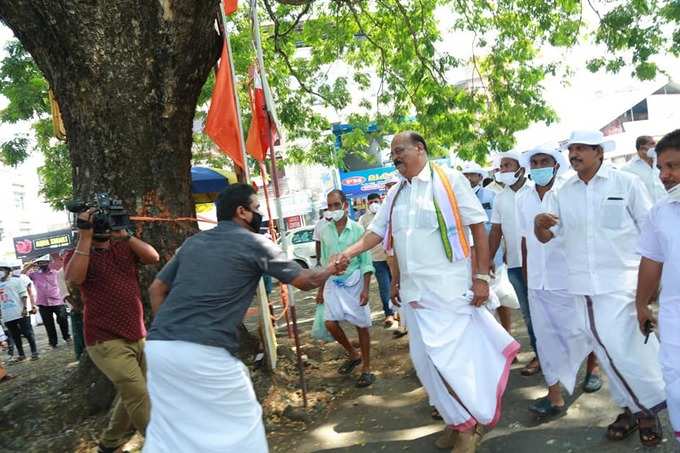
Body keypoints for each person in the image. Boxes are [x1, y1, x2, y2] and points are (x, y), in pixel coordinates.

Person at [339, 131, 519, 452]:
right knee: (425, 363)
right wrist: (350, 255)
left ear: (420, 149)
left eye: (400, 150)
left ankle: (470, 427)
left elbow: (478, 225)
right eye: (392, 153)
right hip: (414, 294)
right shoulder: (396, 193)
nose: (395, 157)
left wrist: (480, 276)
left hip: (449, 290)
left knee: (450, 361)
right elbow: (378, 233)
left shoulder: (449, 181)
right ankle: (457, 421)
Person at [143, 184, 347, 453]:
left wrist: (172, 334)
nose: (260, 213)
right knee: (243, 430)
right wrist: (333, 267)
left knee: (171, 436)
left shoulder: (192, 243)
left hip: (159, 349)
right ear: (242, 212)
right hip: (206, 352)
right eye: (257, 208)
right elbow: (305, 280)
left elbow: (156, 289)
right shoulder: (254, 243)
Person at [534, 130, 666, 447]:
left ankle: (648, 409)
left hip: (626, 282)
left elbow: (652, 232)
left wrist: (653, 286)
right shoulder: (564, 192)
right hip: (585, 288)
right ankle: (632, 409)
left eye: (581, 148)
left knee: (629, 351)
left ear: (599, 152)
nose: (575, 154)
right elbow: (546, 239)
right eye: (572, 149)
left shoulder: (626, 184)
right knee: (610, 352)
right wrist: (538, 225)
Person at [65, 207, 160, 453]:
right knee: (138, 394)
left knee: (133, 393)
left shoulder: (124, 247)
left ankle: (109, 443)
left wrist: (125, 235)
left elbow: (153, 257)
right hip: (105, 340)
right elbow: (74, 279)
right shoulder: (76, 254)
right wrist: (84, 236)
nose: (103, 227)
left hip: (138, 334)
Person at [516, 143, 602, 417]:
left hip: (568, 278)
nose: (540, 167)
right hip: (537, 284)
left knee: (581, 330)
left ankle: (593, 369)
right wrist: (529, 279)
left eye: (545, 161)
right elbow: (525, 242)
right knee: (545, 340)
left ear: (555, 165)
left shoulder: (567, 193)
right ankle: (554, 397)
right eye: (535, 162)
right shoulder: (523, 199)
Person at [635, 128, 680, 445]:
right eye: (661, 168)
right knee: (676, 384)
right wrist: (641, 304)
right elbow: (652, 262)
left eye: (673, 166)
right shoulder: (660, 213)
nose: (664, 175)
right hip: (676, 318)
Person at [488, 151, 540, 377]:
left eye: (508, 166)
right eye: (501, 167)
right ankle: (540, 355)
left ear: (521, 168)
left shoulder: (537, 191)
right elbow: (496, 232)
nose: (503, 171)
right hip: (516, 266)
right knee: (529, 315)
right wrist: (488, 258)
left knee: (549, 312)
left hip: (541, 264)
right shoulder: (500, 197)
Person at [317, 189, 375, 387]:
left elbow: (366, 262)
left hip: (355, 283)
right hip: (333, 282)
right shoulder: (325, 232)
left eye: (335, 205)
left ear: (345, 206)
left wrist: (366, 289)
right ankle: (352, 353)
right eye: (329, 206)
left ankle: (366, 369)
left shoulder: (358, 230)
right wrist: (320, 290)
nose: (332, 209)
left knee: (362, 325)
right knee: (330, 322)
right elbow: (325, 263)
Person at [462, 162, 519, 335]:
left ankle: (507, 334)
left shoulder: (491, 196)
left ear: (480, 177)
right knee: (479, 301)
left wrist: (503, 252)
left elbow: (498, 228)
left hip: (494, 255)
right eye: (465, 175)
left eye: (472, 174)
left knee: (501, 298)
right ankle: (494, 342)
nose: (468, 178)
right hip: (468, 258)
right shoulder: (457, 199)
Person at [359, 193, 394, 327]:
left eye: (376, 201)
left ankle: (399, 312)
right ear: (367, 203)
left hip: (392, 257)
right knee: (385, 286)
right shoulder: (363, 219)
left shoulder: (388, 214)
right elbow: (362, 237)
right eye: (371, 202)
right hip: (376, 258)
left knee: (396, 284)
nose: (374, 204)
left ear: (380, 201)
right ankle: (389, 313)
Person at [26, 255, 71, 348]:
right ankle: (53, 342)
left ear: (49, 263)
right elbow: (21, 274)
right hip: (43, 304)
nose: (42, 264)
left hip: (58, 301)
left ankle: (66, 337)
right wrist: (30, 265)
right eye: (40, 262)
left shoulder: (56, 273)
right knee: (48, 324)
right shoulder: (34, 275)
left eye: (44, 262)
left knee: (63, 320)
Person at [0, 260, 39, 361]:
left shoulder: (17, 281)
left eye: (1, 269)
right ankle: (21, 354)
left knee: (27, 333)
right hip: (7, 315)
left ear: (8, 270)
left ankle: (34, 352)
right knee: (15, 336)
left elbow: (24, 295)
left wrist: (25, 308)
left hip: (20, 312)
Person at [622, 135, 666, 202]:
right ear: (643, 149)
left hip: (668, 206)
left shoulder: (662, 161)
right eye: (652, 144)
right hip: (647, 210)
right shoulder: (627, 169)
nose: (656, 146)